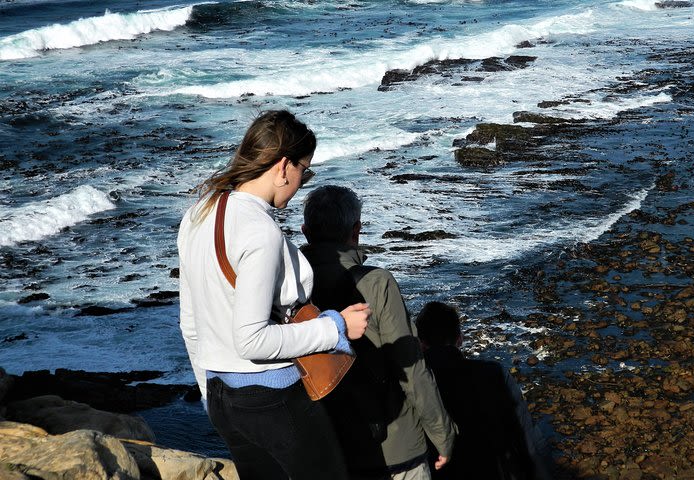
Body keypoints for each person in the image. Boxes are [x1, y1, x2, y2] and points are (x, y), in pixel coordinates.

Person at [177, 110, 371, 480]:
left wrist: (210, 393)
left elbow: (190, 322)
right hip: (271, 400)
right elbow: (252, 341)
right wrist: (337, 326)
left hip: (221, 395)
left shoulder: (198, 214)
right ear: (283, 166)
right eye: (304, 171)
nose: (301, 183)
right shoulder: (259, 231)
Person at [300, 185, 457, 480]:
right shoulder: (377, 283)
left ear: (306, 231)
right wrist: (443, 435)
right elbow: (411, 367)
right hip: (395, 447)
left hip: (326, 446)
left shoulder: (290, 286)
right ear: (356, 230)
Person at [415, 301, 552, 480]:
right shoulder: (495, 373)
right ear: (460, 339)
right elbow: (525, 439)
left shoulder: (412, 385)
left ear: (421, 344)